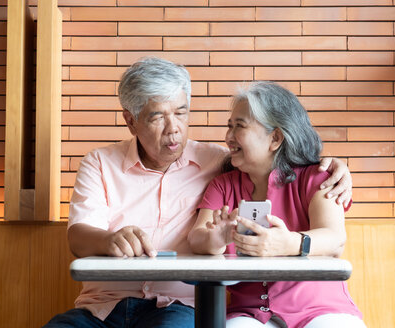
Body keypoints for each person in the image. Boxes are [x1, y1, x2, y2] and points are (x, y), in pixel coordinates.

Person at [44, 58, 353, 328]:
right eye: (157, 116)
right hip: (102, 308)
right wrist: (109, 240)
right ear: (130, 120)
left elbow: (330, 231)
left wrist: (334, 166)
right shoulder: (101, 163)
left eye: (181, 112)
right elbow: (78, 237)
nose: (173, 128)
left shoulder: (221, 162)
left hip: (178, 307)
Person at [188, 81, 366, 328]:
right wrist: (215, 239)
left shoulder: (317, 178)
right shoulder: (222, 185)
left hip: (319, 309)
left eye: (239, 127)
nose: (228, 138)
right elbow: (197, 237)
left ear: (275, 138)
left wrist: (288, 243)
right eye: (229, 127)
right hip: (249, 313)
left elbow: (335, 239)